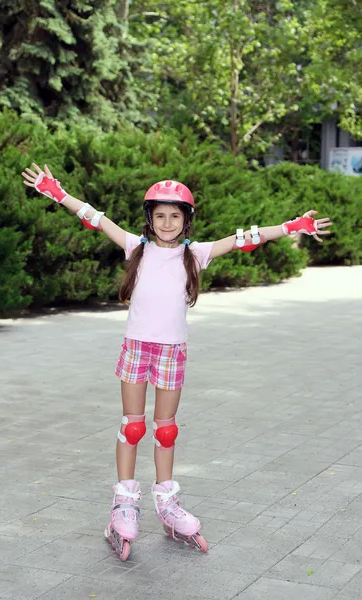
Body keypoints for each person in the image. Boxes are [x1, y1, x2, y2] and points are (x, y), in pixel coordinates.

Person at [22, 163, 332, 560]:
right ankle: (124, 503)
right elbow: (95, 218)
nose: (167, 222)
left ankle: (166, 502)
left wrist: (292, 227)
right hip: (137, 347)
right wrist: (54, 191)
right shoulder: (136, 247)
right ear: (149, 220)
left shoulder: (195, 254)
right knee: (132, 427)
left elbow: (244, 239)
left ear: (186, 221)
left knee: (165, 431)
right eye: (160, 215)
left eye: (175, 215)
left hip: (172, 352)